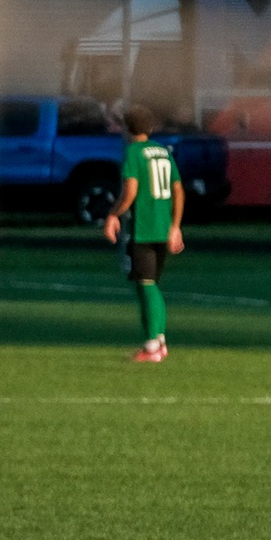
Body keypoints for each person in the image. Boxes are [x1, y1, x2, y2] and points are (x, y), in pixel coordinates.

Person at [101, 106, 183, 362]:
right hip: (163, 227)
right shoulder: (163, 151)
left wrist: (113, 214)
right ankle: (160, 341)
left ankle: (151, 347)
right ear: (150, 128)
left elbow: (131, 191)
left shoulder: (134, 152)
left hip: (144, 228)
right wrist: (175, 226)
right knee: (150, 284)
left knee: (146, 285)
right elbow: (178, 190)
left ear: (127, 129)